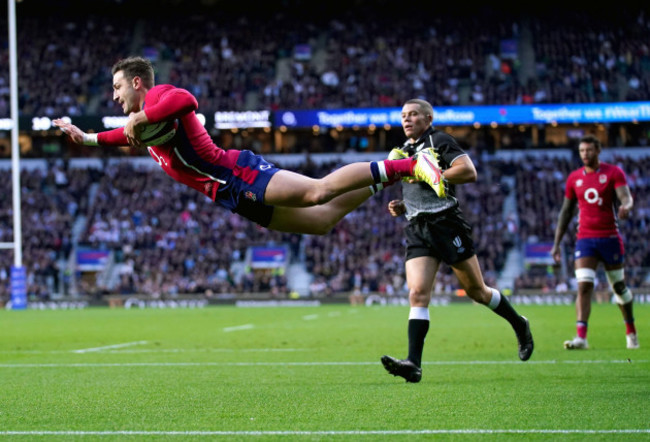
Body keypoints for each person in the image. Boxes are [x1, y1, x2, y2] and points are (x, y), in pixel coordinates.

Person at [53, 56, 442, 236]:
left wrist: (139, 117)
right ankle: (387, 172)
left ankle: (412, 165)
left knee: (316, 191)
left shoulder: (157, 98)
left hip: (235, 171)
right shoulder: (140, 126)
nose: (115, 96)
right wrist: (83, 136)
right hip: (229, 195)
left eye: (118, 87)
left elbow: (188, 101)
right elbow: (116, 136)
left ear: (137, 83)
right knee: (321, 222)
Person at [380, 99, 534, 383]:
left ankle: (519, 323)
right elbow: (419, 184)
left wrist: (428, 178)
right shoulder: (404, 150)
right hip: (417, 226)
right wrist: (404, 204)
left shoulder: (439, 140)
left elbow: (468, 172)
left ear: (428, 118)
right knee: (417, 294)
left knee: (477, 291)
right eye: (403, 115)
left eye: (413, 114)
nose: (407, 119)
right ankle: (413, 363)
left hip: (445, 222)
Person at [550, 135, 638, 350]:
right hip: (585, 239)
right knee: (584, 286)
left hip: (610, 238)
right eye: (582, 151)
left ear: (598, 150)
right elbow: (566, 212)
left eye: (589, 150)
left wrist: (626, 206)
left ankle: (630, 330)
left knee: (618, 287)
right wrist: (556, 244)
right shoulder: (574, 178)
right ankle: (581, 337)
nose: (585, 154)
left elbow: (625, 196)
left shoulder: (613, 173)